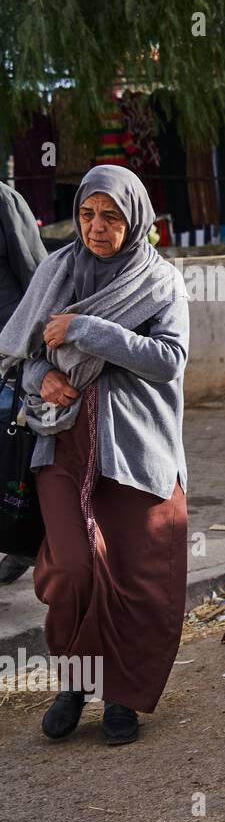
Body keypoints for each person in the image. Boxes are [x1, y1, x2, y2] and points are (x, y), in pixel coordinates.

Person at [0, 166, 189, 746]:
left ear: (134, 220)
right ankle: (74, 685)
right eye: (87, 214)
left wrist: (87, 329)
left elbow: (168, 360)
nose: (97, 227)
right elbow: (18, 354)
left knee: (134, 577)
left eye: (111, 216)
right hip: (61, 443)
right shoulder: (57, 271)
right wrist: (42, 379)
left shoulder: (159, 282)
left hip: (134, 448)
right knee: (73, 570)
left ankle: (121, 696)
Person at [0, 181, 48, 584]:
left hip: (11, 351)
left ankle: (23, 540)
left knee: (15, 444)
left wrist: (33, 346)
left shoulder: (4, 199)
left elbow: (36, 274)